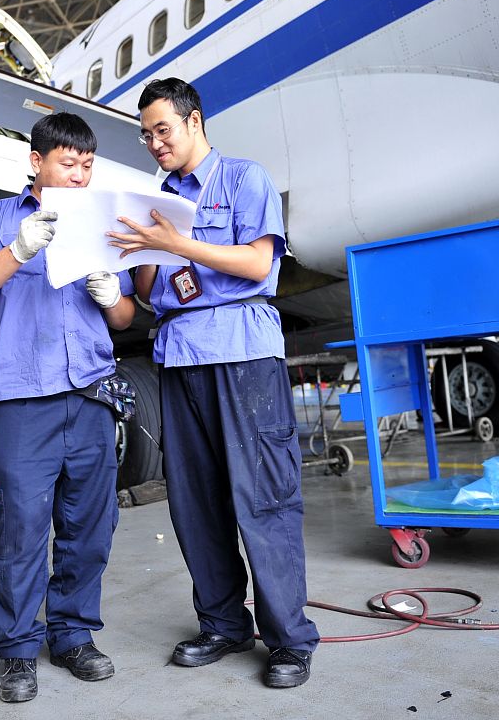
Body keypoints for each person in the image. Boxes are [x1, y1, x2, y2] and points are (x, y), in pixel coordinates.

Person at [107, 78, 319, 688]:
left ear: (195, 121)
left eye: (162, 130)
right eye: (146, 134)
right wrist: (139, 249)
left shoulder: (242, 180)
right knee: (195, 502)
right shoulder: (158, 197)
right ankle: (225, 625)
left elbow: (258, 263)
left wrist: (178, 242)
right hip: (179, 355)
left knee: (262, 496)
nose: (154, 143)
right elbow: (148, 294)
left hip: (241, 353)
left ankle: (288, 641)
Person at [0, 111, 136, 703]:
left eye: (87, 166)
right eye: (67, 164)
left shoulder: (105, 225)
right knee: (20, 528)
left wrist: (112, 298)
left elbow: (127, 316)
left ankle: (74, 635)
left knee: (89, 526)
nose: (79, 176)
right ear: (37, 162)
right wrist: (17, 250)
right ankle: (18, 651)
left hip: (90, 396)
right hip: (21, 400)